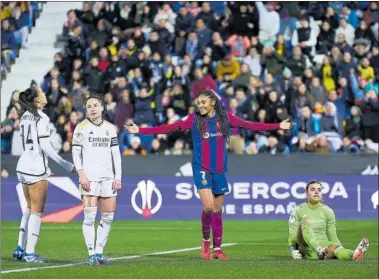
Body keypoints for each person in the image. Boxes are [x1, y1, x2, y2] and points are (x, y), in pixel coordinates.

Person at [125, 89, 293, 260]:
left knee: (218, 211)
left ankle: (217, 249)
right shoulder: (193, 119)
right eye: (198, 103)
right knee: (208, 207)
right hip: (201, 168)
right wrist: (140, 130)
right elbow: (169, 128)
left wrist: (278, 126)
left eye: (203, 102)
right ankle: (206, 241)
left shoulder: (225, 118)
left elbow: (250, 125)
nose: (200, 106)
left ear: (213, 102)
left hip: (219, 170)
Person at [13, 82, 75, 263]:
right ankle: (30, 253)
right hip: (34, 169)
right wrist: (67, 165)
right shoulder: (42, 118)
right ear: (37, 100)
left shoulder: (24, 116)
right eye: (41, 93)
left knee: (29, 208)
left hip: (22, 166)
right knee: (37, 212)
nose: (45, 94)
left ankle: (19, 247)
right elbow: (46, 148)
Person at [72, 95, 122, 265]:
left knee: (108, 217)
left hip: (108, 178)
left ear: (102, 107)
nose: (92, 108)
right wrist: (81, 174)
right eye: (89, 106)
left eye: (95, 105)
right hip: (90, 179)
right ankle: (91, 254)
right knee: (89, 217)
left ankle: (100, 252)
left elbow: (116, 154)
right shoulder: (81, 127)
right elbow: (76, 154)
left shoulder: (110, 128)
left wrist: (118, 177)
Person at [288, 180, 370, 261]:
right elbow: (292, 234)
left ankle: (354, 254)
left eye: (319, 190)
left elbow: (333, 236)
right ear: (306, 193)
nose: (316, 192)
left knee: (336, 248)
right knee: (305, 222)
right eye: (313, 189)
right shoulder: (298, 210)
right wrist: (293, 250)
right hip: (305, 246)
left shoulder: (328, 211)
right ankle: (318, 250)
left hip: (324, 247)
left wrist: (340, 248)